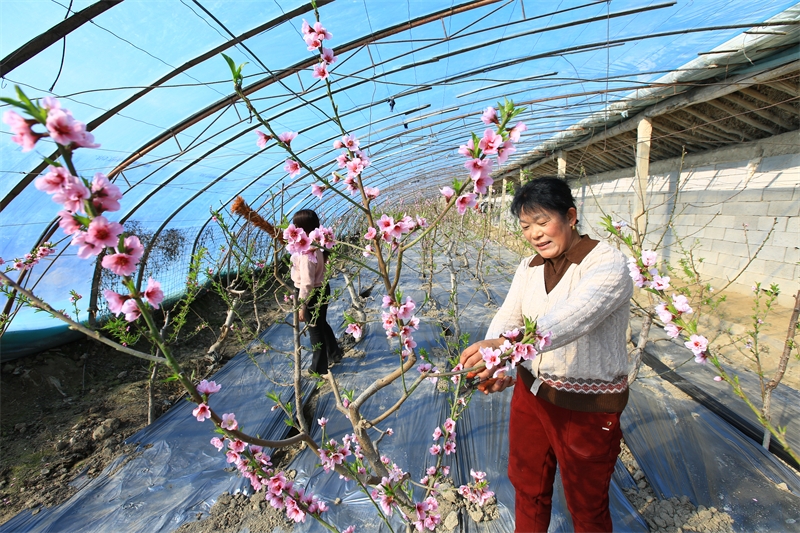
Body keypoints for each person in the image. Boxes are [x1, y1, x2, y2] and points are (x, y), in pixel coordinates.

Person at [459, 177, 633, 533]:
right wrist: (495, 364)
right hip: (531, 394)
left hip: (586, 408)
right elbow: (509, 315)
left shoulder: (607, 264)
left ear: (570, 216)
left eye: (542, 222)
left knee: (587, 506)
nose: (535, 234)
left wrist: (505, 348)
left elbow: (572, 318)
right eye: (526, 226)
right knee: (527, 486)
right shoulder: (530, 267)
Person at [290, 209, 342, 375]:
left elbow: (306, 284)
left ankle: (318, 368)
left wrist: (302, 306)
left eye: (296, 226)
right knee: (321, 324)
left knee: (315, 330)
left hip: (311, 293)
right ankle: (334, 353)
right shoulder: (318, 246)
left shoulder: (307, 253)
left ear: (302, 228)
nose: (293, 229)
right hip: (322, 288)